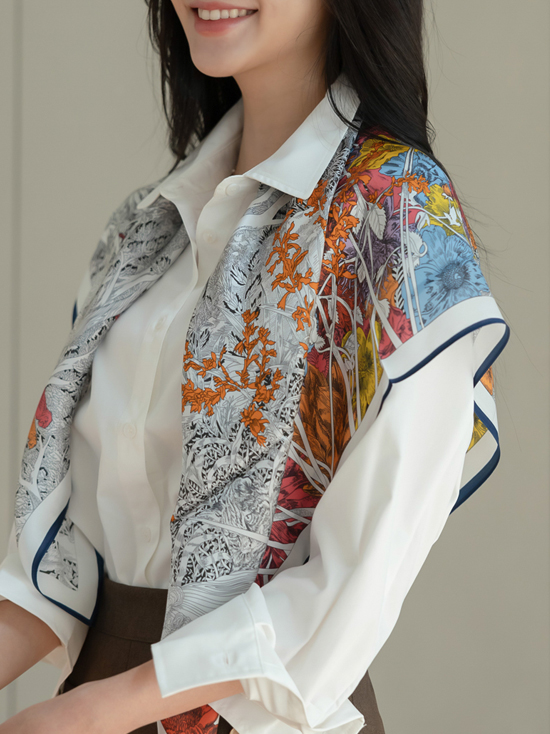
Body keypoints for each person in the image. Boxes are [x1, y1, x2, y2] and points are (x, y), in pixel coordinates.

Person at [0, 1, 509, 733]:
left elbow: (351, 583)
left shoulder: (400, 220)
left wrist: (93, 712)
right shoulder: (146, 230)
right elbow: (67, 558)